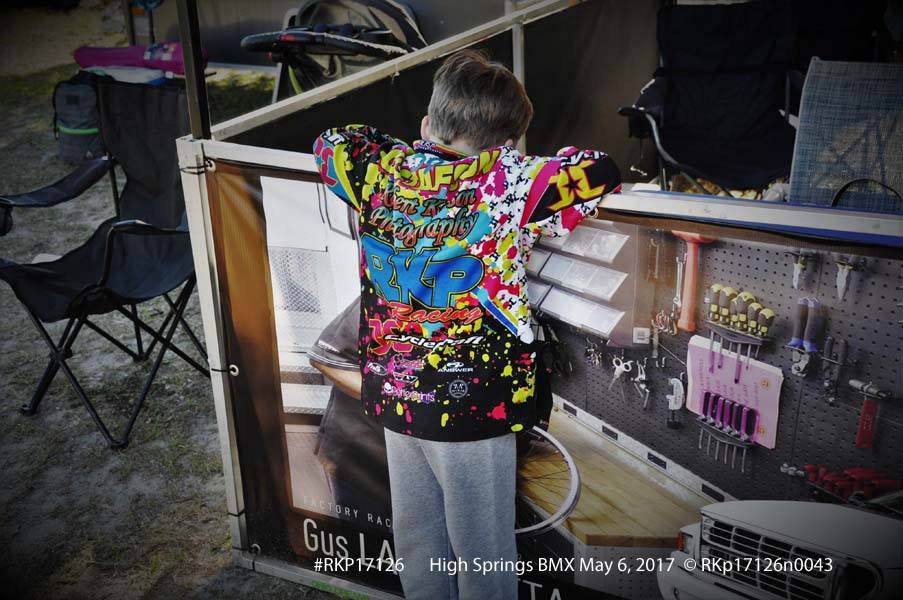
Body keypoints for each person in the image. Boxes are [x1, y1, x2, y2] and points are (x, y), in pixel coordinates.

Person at [313, 49, 621, 600]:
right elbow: (602, 169)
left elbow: (332, 141)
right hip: (474, 407)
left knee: (418, 542)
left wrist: (408, 150)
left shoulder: (382, 172)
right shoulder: (511, 181)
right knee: (484, 555)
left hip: (397, 394)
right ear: (509, 142)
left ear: (427, 123)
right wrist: (523, 161)